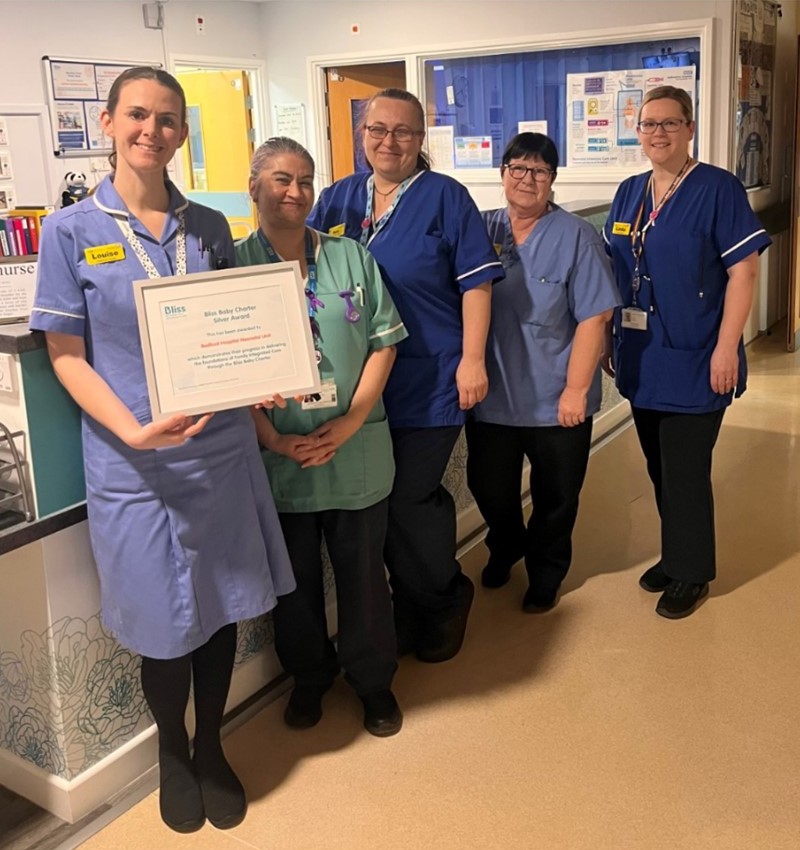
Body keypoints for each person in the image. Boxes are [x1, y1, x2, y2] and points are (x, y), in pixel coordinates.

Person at [29, 68, 295, 833]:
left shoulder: (209, 227)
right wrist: (134, 428)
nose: (153, 129)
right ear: (109, 122)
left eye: (169, 118)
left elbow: (231, 332)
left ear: (183, 132)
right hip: (133, 462)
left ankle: (212, 745)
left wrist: (262, 377)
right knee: (160, 623)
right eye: (138, 115)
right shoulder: (71, 231)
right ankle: (172, 755)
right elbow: (67, 355)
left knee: (216, 612)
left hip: (216, 455)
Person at [308, 88, 504, 663]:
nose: (388, 141)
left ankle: (441, 599)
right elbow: (298, 266)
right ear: (362, 134)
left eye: (403, 132)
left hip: (429, 375)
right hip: (354, 386)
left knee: (409, 500)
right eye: (377, 129)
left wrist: (473, 359)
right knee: (371, 504)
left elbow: (477, 284)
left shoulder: (447, 198)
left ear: (422, 140)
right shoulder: (339, 198)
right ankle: (405, 608)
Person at [237, 137, 408, 736]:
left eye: (306, 180)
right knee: (295, 586)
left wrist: (352, 420)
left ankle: (373, 683)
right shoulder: (232, 267)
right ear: (253, 185)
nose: (296, 192)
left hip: (354, 446)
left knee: (364, 579)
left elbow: (384, 342)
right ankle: (309, 679)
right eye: (282, 179)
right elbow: (227, 377)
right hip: (278, 454)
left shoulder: (351, 256)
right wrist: (275, 440)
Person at [602, 85, 771, 619]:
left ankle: (692, 572)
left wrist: (728, 347)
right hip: (644, 354)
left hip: (699, 354)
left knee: (685, 467)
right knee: (657, 465)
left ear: (689, 128)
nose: (657, 133)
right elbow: (616, 268)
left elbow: (743, 272)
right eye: (649, 124)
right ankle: (677, 555)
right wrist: (611, 337)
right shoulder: (630, 190)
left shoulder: (718, 188)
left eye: (669, 124)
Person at [467, 133, 620, 612]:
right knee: (489, 488)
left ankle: (546, 571)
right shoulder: (481, 230)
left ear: (553, 180)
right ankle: (507, 542)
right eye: (518, 168)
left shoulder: (576, 236)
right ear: (503, 174)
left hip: (557, 395)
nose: (527, 179)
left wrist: (576, 390)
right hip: (493, 393)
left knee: (556, 496)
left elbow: (595, 317)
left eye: (539, 171)